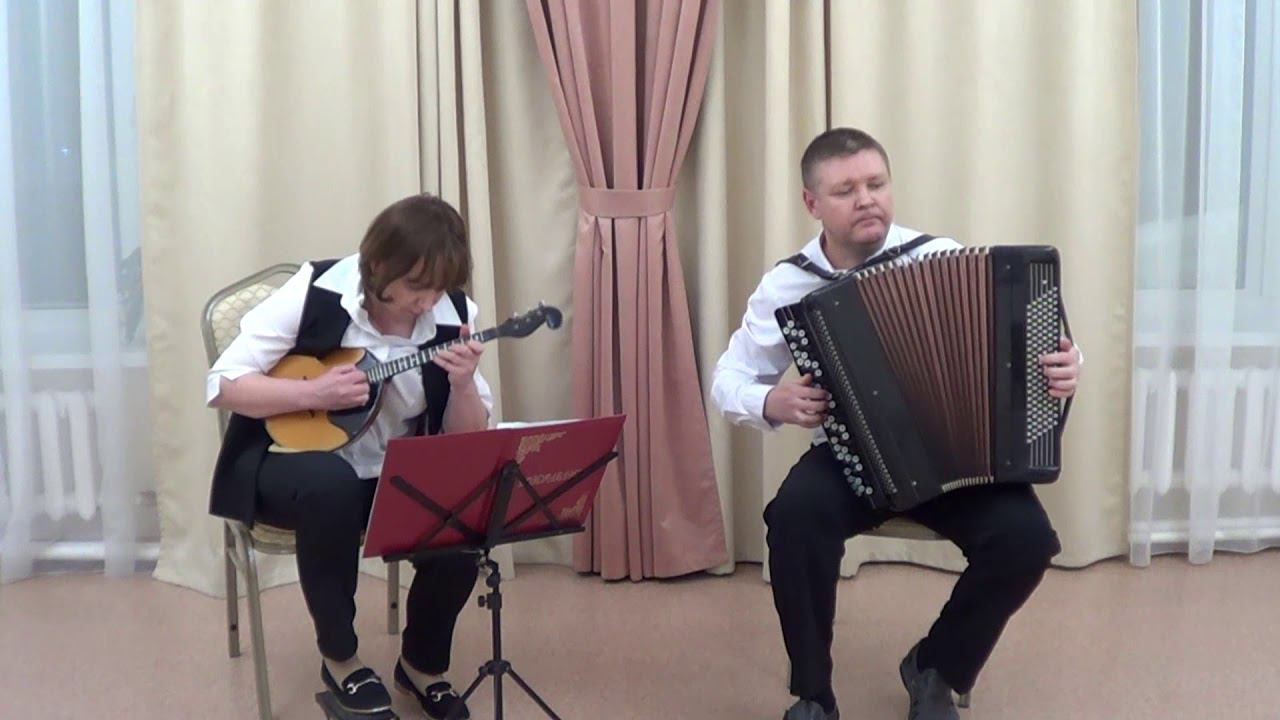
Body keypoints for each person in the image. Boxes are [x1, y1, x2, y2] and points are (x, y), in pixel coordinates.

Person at [710, 128, 1082, 720]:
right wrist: (770, 403)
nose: (866, 199)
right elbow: (728, 377)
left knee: (1027, 540)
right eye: (845, 190)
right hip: (851, 456)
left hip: (955, 453)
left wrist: (1066, 365)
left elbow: (1031, 348)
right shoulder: (787, 284)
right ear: (812, 203)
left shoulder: (941, 257)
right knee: (793, 519)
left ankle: (936, 667)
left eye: (876, 184)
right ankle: (813, 694)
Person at [207, 193, 493, 718]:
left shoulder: (453, 314)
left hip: (391, 474)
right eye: (416, 287)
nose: (427, 302)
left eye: (438, 289)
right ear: (379, 265)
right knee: (330, 485)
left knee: (462, 502)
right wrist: (312, 394)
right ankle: (340, 659)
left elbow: (465, 438)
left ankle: (422, 665)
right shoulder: (316, 291)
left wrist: (464, 385)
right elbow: (223, 385)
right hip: (290, 462)